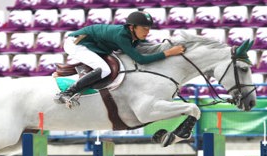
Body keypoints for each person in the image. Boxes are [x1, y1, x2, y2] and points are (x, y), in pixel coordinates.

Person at [54, 10, 185, 105]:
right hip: (77, 43)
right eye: (144, 28)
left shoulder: (132, 36)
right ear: (132, 27)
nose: (147, 32)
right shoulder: (121, 36)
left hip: (94, 44)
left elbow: (147, 48)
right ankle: (67, 93)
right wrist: (169, 53)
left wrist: (167, 48)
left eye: (149, 28)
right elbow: (141, 60)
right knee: (104, 69)